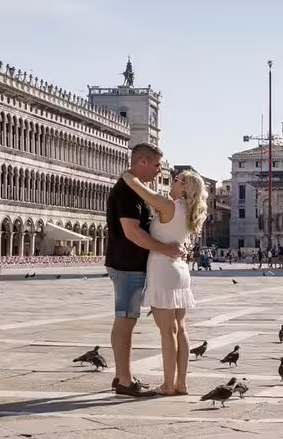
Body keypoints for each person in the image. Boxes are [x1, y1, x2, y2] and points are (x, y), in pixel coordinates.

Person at [121, 166, 208, 396]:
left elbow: (138, 188)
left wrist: (129, 175)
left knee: (167, 331)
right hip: (180, 271)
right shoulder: (189, 211)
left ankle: (168, 385)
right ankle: (181, 383)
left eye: (175, 179)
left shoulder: (169, 205)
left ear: (183, 186)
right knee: (181, 330)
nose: (171, 181)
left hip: (162, 268)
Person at [105, 143, 182, 397]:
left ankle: (122, 376)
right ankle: (125, 381)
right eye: (158, 164)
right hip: (127, 264)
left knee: (127, 319)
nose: (160, 169)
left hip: (131, 264)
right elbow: (132, 232)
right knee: (125, 320)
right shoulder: (128, 192)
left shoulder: (138, 189)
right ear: (143, 162)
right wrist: (164, 249)